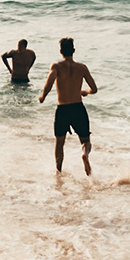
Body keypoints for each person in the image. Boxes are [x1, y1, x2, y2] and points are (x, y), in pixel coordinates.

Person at [38, 37, 97, 175]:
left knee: (59, 143)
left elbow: (50, 82)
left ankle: (58, 172)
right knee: (85, 140)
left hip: (63, 109)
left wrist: (43, 96)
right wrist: (85, 92)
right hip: (78, 108)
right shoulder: (82, 68)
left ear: (61, 51)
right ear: (74, 51)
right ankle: (85, 154)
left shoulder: (56, 66)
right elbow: (94, 89)